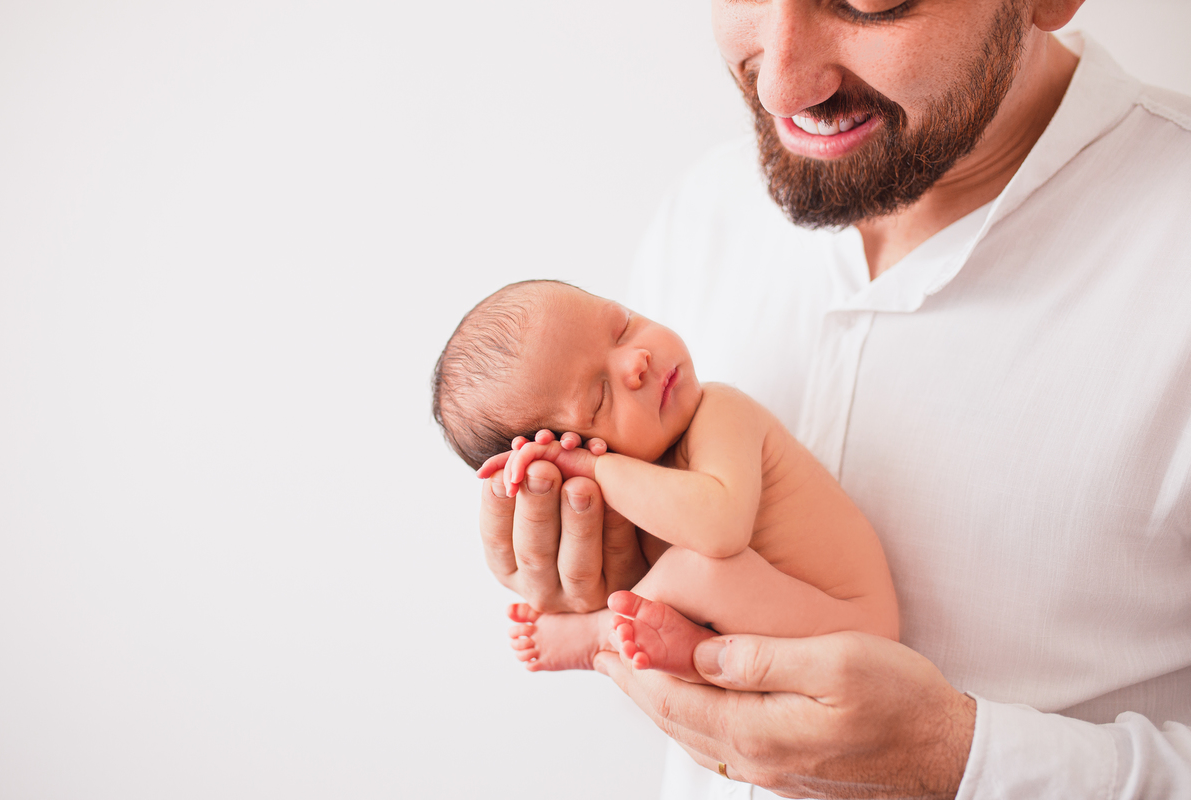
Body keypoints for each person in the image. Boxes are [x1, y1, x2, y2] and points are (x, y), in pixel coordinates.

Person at [480, 0, 1191, 796]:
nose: (783, 86)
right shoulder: (705, 211)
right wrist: (615, 595)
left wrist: (957, 762)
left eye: (869, 3)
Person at [433, 280, 898, 680]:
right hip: (778, 655)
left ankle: (600, 637)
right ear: (568, 451)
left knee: (699, 567)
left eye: (624, 326)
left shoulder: (720, 411)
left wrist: (595, 467)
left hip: (855, 630)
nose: (636, 361)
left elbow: (721, 526)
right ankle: (686, 652)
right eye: (599, 398)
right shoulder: (633, 496)